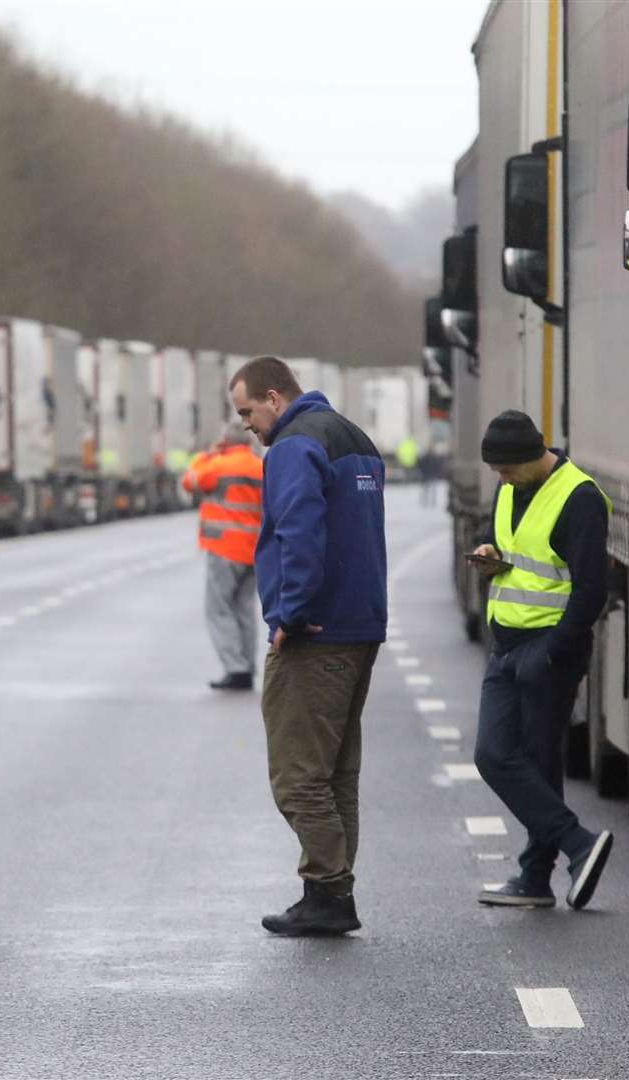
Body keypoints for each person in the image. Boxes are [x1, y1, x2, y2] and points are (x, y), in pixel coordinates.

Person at [228, 357, 386, 937]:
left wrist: (289, 615)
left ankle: (326, 891)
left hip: (316, 633)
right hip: (361, 624)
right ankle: (332, 891)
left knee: (298, 778)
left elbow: (299, 531)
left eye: (248, 410)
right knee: (338, 774)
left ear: (274, 397)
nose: (246, 424)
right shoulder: (352, 436)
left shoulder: (293, 445)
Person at [471, 410, 614, 911]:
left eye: (506, 470)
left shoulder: (579, 498)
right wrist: (492, 559)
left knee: (539, 759)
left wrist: (553, 652)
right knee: (493, 754)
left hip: (549, 650)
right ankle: (577, 845)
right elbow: (519, 556)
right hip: (506, 645)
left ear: (533, 457)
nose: (501, 479)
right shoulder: (510, 489)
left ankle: (535, 876)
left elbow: (592, 588)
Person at [181, 421, 264, 691]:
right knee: (244, 609)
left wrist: (208, 453)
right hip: (253, 550)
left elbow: (189, 480)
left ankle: (235, 668)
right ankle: (248, 665)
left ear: (225, 442)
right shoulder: (260, 467)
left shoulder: (218, 466)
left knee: (219, 608)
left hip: (224, 549)